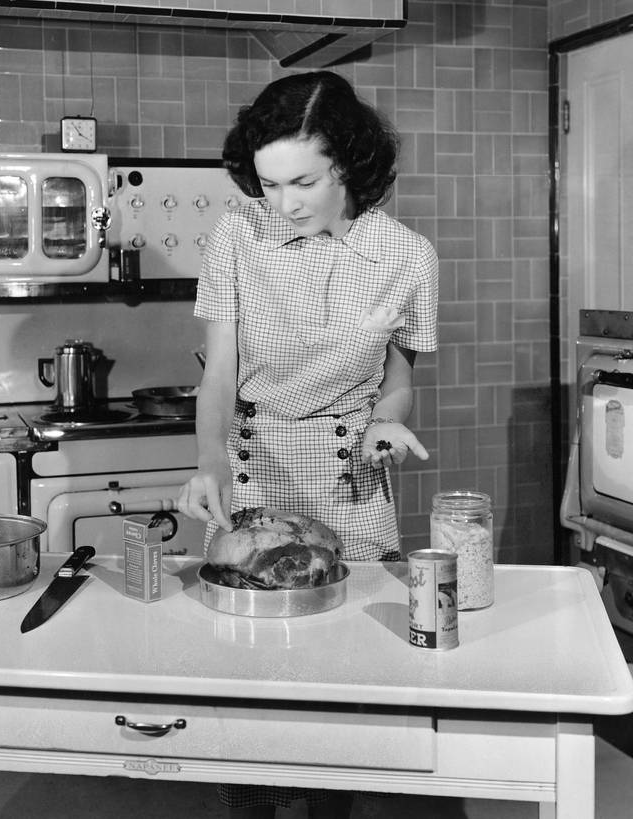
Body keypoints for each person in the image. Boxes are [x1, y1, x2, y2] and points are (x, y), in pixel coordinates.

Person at [176, 70, 439, 819]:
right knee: (252, 683)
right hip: (256, 470)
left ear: (349, 165)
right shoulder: (238, 232)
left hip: (351, 474)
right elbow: (220, 374)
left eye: (302, 181)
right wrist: (208, 459)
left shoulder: (407, 257)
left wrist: (389, 418)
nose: (281, 203)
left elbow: (398, 379)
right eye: (266, 182)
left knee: (347, 678)